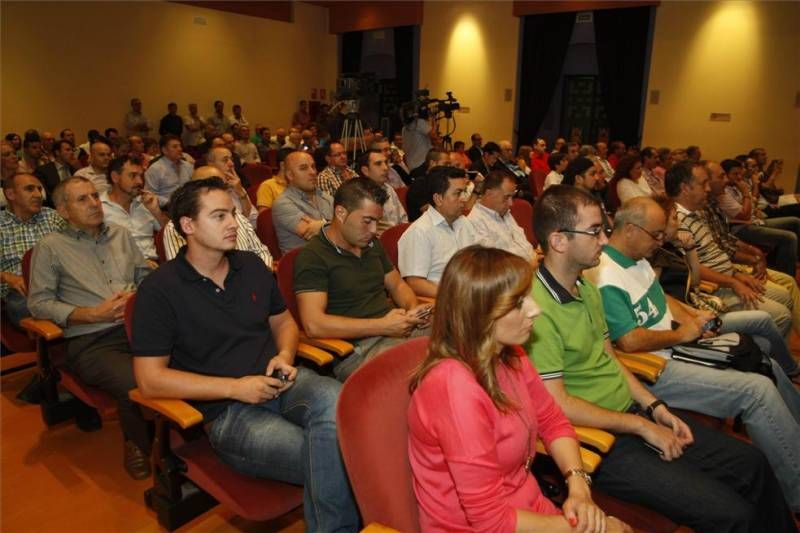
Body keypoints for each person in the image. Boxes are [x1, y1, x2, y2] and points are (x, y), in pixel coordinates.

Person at [526, 185, 796, 531]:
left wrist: (656, 408)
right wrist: (642, 425)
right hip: (600, 442)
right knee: (733, 513)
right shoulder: (537, 310)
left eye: (603, 230)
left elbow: (611, 359)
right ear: (559, 240)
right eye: (595, 231)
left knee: (752, 463)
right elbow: (557, 404)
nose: (605, 241)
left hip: (634, 416)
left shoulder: (586, 288)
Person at [131, 177, 358, 532]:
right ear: (188, 226)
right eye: (219, 216)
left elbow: (285, 324)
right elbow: (149, 379)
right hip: (229, 413)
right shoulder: (159, 291)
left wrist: (285, 354)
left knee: (340, 403)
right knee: (333, 454)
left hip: (282, 382)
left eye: (233, 214)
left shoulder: (250, 266)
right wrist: (236, 388)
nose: (234, 223)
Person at [587, 196, 800, 510]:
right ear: (631, 230)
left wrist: (690, 316)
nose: (661, 241)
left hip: (676, 347)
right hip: (654, 369)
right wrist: (682, 332)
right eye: (656, 234)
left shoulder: (636, 259)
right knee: (757, 390)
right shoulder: (606, 276)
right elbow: (628, 342)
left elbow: (661, 300)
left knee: (763, 354)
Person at [409, 245, 630, 533]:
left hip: (527, 509)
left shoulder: (510, 353)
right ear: (480, 314)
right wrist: (586, 529)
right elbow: (491, 522)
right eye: (517, 303)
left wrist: (577, 485)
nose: (535, 309)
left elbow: (553, 421)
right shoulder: (454, 390)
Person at [27, 176, 153, 479]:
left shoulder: (121, 235)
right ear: (62, 211)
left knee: (198, 352)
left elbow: (144, 276)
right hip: (94, 340)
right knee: (136, 380)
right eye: (82, 199)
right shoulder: (51, 247)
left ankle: (196, 432)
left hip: (141, 325)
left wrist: (139, 294)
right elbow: (39, 303)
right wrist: (91, 314)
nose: (94, 203)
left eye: (95, 196)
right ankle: (138, 443)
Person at [294, 178, 430, 381]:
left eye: (377, 221)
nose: (374, 230)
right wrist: (383, 326)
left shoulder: (371, 245)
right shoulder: (313, 257)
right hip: (357, 349)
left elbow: (397, 284)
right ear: (340, 213)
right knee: (431, 361)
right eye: (367, 221)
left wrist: (412, 308)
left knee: (462, 332)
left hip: (394, 330)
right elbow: (314, 324)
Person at [667, 161, 800, 337]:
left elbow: (717, 252)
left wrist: (737, 275)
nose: (707, 189)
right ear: (685, 188)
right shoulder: (676, 221)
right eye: (703, 184)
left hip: (728, 277)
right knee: (781, 315)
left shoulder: (697, 212)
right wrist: (733, 281)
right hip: (715, 288)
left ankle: (767, 353)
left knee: (785, 296)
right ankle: (765, 360)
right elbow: (692, 270)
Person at [162, 166, 272, 267]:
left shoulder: (236, 213)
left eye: (224, 185)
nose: (234, 224)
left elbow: (261, 251)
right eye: (219, 216)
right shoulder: (175, 227)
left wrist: (260, 274)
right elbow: (181, 271)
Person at [398, 166, 478, 298]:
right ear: (438, 199)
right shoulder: (420, 232)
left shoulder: (464, 223)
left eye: (464, 192)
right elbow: (415, 283)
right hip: (446, 301)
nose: (464, 199)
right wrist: (455, 296)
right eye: (458, 193)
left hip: (473, 291)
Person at [1, 173, 66, 326]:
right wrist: (6, 277)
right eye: (30, 189)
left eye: (39, 189)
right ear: (10, 194)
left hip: (60, 282)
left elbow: (75, 246)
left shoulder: (51, 216)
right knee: (23, 304)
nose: (38, 195)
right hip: (23, 292)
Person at [101, 155, 167, 262]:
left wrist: (156, 211)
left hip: (154, 266)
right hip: (122, 269)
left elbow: (170, 233)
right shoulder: (100, 208)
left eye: (141, 176)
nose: (140, 182)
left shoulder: (146, 203)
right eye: (133, 176)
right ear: (115, 177)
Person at [467, 170, 536, 265]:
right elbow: (495, 267)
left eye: (512, 197)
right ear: (489, 194)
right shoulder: (475, 222)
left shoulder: (504, 212)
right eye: (506, 197)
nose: (511, 203)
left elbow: (523, 245)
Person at [272, 151, 333, 254]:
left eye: (313, 167)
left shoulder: (325, 197)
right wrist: (337, 223)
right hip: (306, 264)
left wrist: (322, 224)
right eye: (304, 168)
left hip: (333, 256)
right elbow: (313, 234)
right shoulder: (283, 203)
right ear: (290, 175)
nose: (312, 172)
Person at [357, 149, 407, 235]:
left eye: (386, 163)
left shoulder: (388, 188)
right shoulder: (358, 194)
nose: (385, 168)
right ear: (365, 171)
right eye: (378, 164)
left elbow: (403, 219)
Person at [144, 134, 193, 207]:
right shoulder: (155, 169)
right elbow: (149, 195)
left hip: (187, 206)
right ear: (164, 150)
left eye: (180, 146)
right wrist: (169, 203)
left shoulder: (187, 166)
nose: (180, 149)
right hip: (165, 208)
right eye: (175, 147)